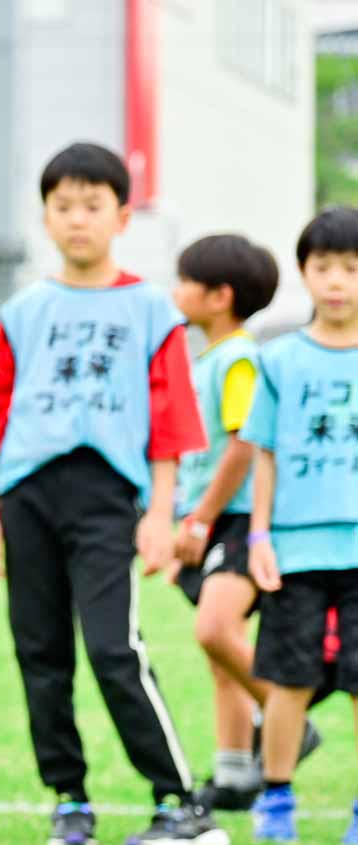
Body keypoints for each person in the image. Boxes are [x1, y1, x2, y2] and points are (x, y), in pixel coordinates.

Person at [0, 141, 221, 845]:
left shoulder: (150, 311)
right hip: (26, 495)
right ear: (45, 217)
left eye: (92, 205)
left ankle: (178, 799)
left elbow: (170, 423)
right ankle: (69, 796)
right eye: (63, 206)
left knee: (114, 648)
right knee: (39, 650)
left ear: (121, 216)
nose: (77, 219)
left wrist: (160, 514)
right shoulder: (22, 312)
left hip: (108, 496)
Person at [167, 234, 323, 810]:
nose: (175, 291)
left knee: (214, 629)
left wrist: (201, 519)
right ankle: (234, 774)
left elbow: (241, 448)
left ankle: (290, 721)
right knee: (219, 654)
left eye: (185, 280)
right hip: (213, 518)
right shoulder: (210, 357)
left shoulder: (237, 359)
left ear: (219, 296)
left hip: (235, 520)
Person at [242, 207, 358, 845]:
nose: (337, 281)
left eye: (350, 268)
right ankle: (277, 798)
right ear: (304, 274)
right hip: (295, 547)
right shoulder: (279, 360)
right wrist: (259, 535)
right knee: (290, 677)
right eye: (324, 268)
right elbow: (265, 454)